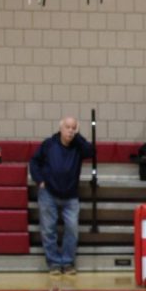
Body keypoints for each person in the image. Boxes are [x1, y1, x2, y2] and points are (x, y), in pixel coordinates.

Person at [29, 116, 94, 275]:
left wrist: (78, 136)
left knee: (72, 229)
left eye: (73, 128)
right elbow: (34, 162)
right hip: (49, 193)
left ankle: (67, 262)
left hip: (70, 195)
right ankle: (53, 263)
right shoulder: (49, 144)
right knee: (48, 229)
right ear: (60, 128)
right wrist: (40, 181)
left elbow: (91, 151)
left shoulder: (79, 146)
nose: (70, 131)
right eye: (68, 127)